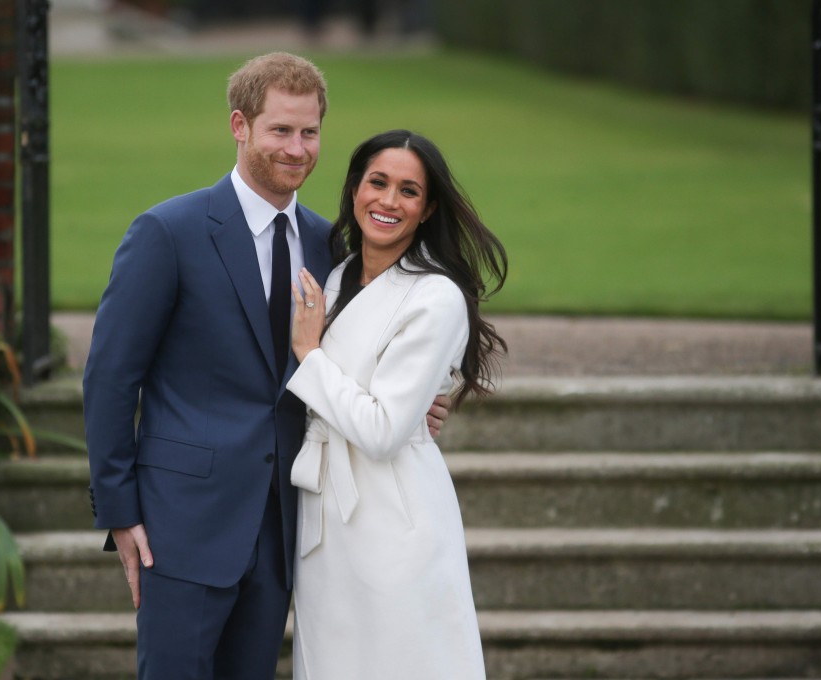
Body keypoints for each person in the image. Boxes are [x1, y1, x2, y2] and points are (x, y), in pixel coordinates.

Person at [82, 54, 449, 680]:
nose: (297, 148)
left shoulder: (331, 245)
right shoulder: (168, 232)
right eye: (280, 130)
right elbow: (112, 378)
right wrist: (120, 513)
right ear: (240, 126)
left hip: (285, 529)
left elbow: (350, 359)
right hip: (182, 524)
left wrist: (411, 403)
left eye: (309, 132)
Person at [287, 129, 507, 679]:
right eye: (377, 183)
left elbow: (384, 429)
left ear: (427, 207)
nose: (388, 201)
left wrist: (309, 355)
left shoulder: (435, 297)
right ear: (355, 189)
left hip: (393, 515)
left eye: (408, 191)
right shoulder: (336, 278)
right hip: (324, 514)